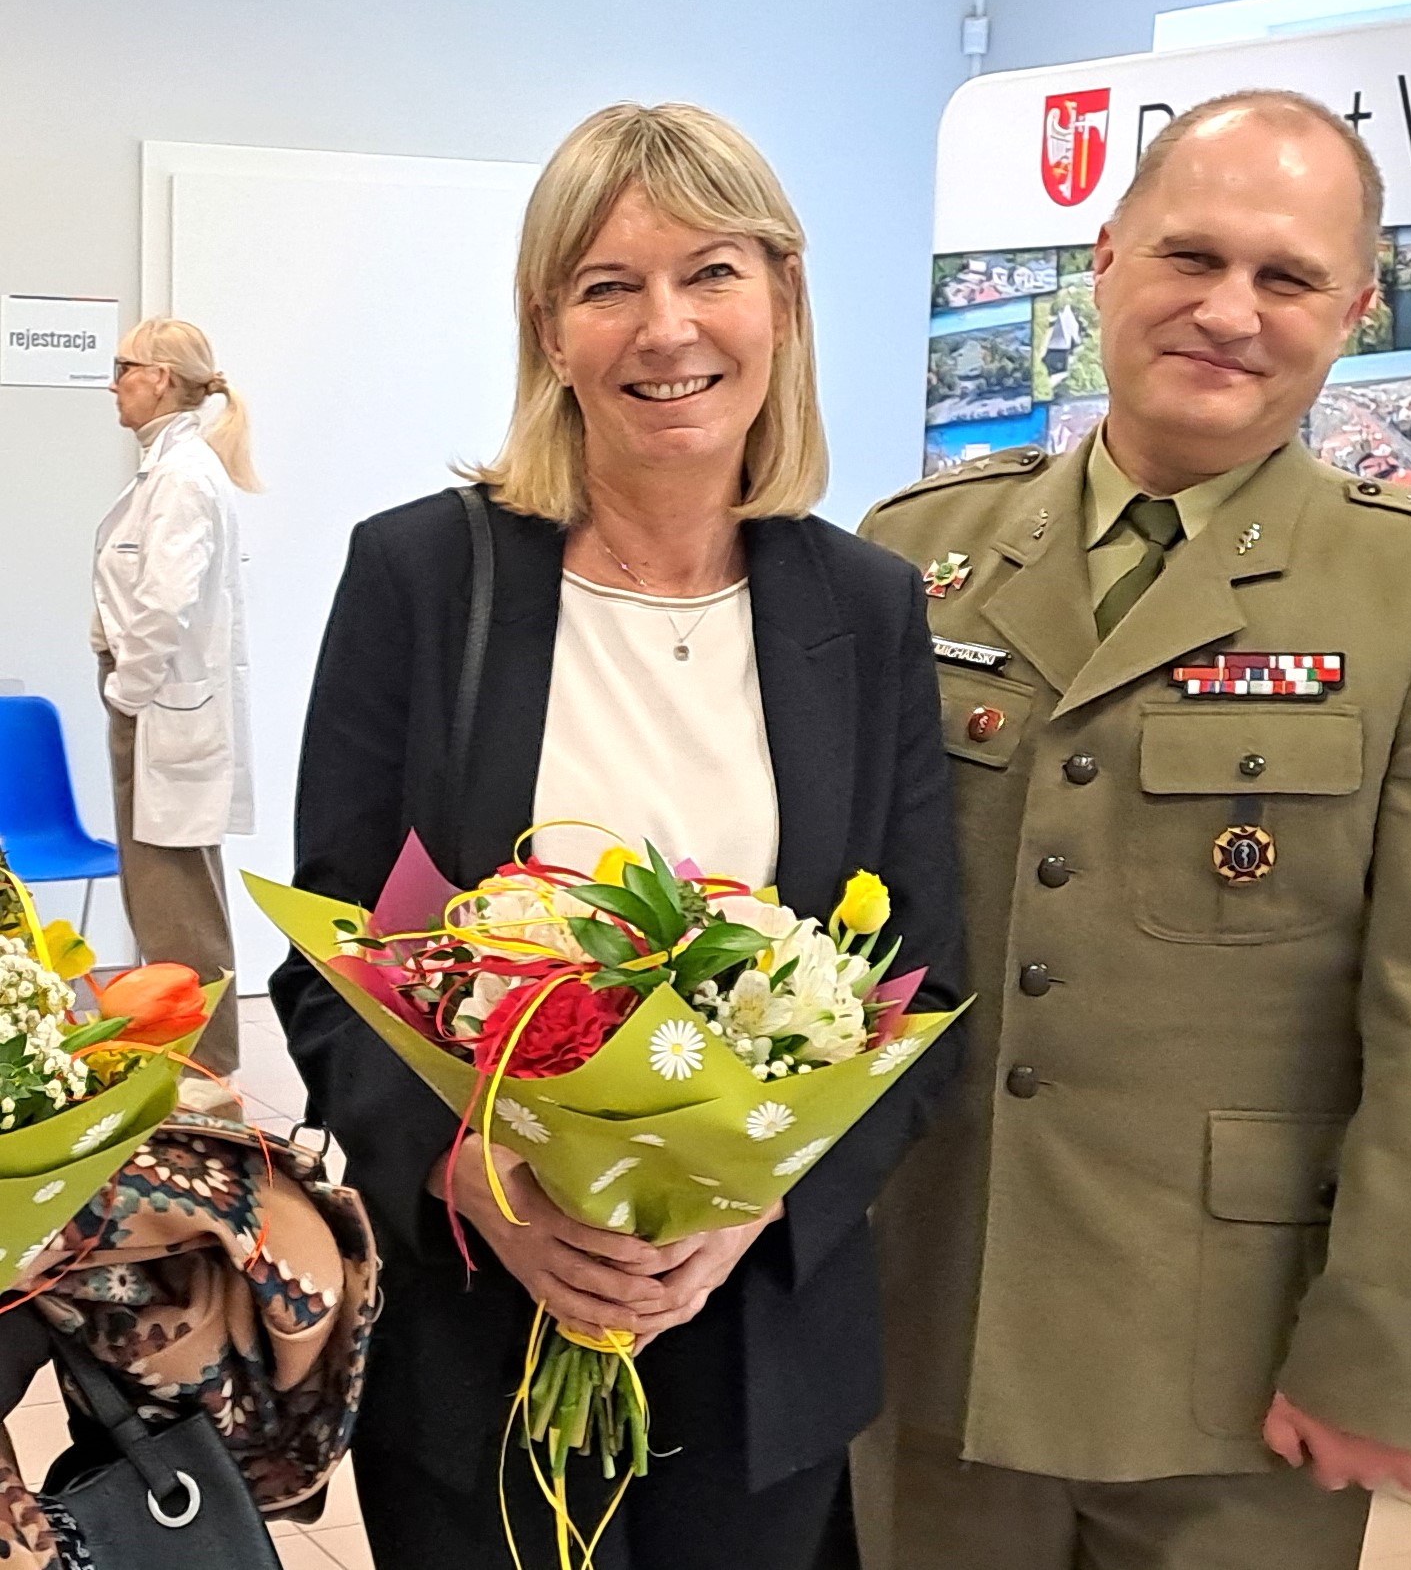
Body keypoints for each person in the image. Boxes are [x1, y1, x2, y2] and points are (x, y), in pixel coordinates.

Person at [855, 91, 1411, 1570]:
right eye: (1188, 256)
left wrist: (1388, 1347)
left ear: (1356, 310)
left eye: (1287, 277)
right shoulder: (915, 551)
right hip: (928, 1312)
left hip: (1234, 1352)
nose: (1227, 311)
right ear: (1105, 258)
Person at [269, 102, 964, 1570]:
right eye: (607, 285)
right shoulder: (420, 575)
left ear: (781, 298)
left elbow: (922, 980)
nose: (666, 329)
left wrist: (753, 1201)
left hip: (758, 1319)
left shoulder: (863, 607)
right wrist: (470, 1177)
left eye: (711, 272)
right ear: (549, 328)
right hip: (481, 1315)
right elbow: (332, 957)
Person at [91, 316, 258, 1080]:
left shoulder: (184, 476)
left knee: (176, 900)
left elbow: (165, 604)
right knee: (167, 893)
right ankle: (183, 1061)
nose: (114, 384)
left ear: (158, 378)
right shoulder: (169, 469)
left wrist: (126, 689)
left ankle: (202, 1072)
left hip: (154, 702)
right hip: (153, 701)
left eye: (123, 367)